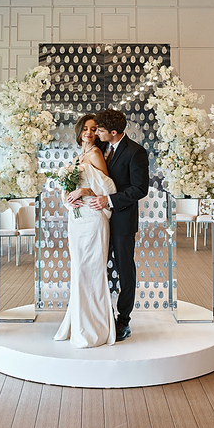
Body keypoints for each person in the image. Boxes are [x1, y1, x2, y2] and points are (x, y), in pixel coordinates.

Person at [69, 108, 149, 342]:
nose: (95, 133)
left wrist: (110, 200)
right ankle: (99, 316)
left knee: (125, 271)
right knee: (95, 268)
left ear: (113, 132)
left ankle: (123, 320)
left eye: (100, 130)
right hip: (98, 220)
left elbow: (139, 189)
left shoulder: (136, 152)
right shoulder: (100, 149)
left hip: (123, 220)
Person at [54, 114, 116, 348]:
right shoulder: (80, 156)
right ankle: (78, 325)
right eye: (85, 129)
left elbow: (108, 187)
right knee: (79, 270)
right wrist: (69, 198)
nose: (89, 133)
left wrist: (85, 192)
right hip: (77, 219)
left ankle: (94, 330)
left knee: (91, 270)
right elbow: (72, 187)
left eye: (93, 129)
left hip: (92, 218)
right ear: (79, 131)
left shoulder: (96, 154)